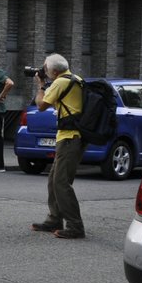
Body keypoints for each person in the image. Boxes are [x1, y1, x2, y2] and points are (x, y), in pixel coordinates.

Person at [32, 53, 86, 239]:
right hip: (72, 137)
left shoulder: (60, 82)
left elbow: (40, 105)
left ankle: (75, 226)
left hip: (70, 138)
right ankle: (54, 219)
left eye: (46, 69)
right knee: (53, 180)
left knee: (61, 183)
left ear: (54, 71)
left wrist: (40, 85)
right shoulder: (76, 79)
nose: (44, 71)